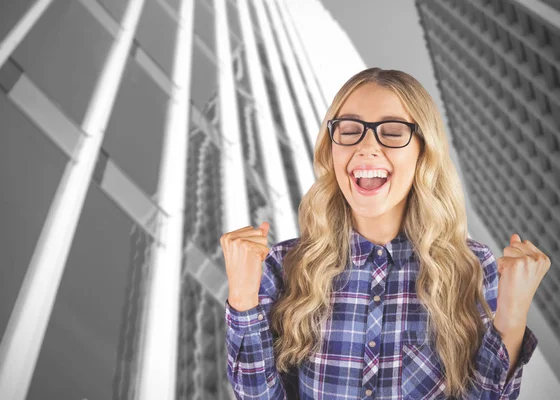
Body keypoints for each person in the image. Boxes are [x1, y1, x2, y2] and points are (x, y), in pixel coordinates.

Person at [220, 68, 550, 399]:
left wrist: (512, 315)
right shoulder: (284, 265)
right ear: (331, 146)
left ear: (424, 150)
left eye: (392, 132)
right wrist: (243, 300)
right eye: (349, 130)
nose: (366, 147)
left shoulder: (473, 268)